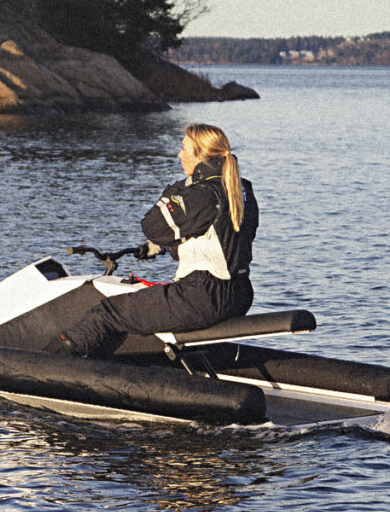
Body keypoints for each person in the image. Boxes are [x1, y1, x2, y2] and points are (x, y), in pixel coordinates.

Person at [56, 123, 259, 359]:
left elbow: (152, 226)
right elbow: (219, 237)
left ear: (201, 155)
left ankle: (48, 365)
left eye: (184, 149)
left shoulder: (201, 192)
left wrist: (180, 186)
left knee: (108, 312)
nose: (179, 155)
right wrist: (165, 246)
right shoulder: (240, 188)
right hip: (239, 293)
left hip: (202, 296)